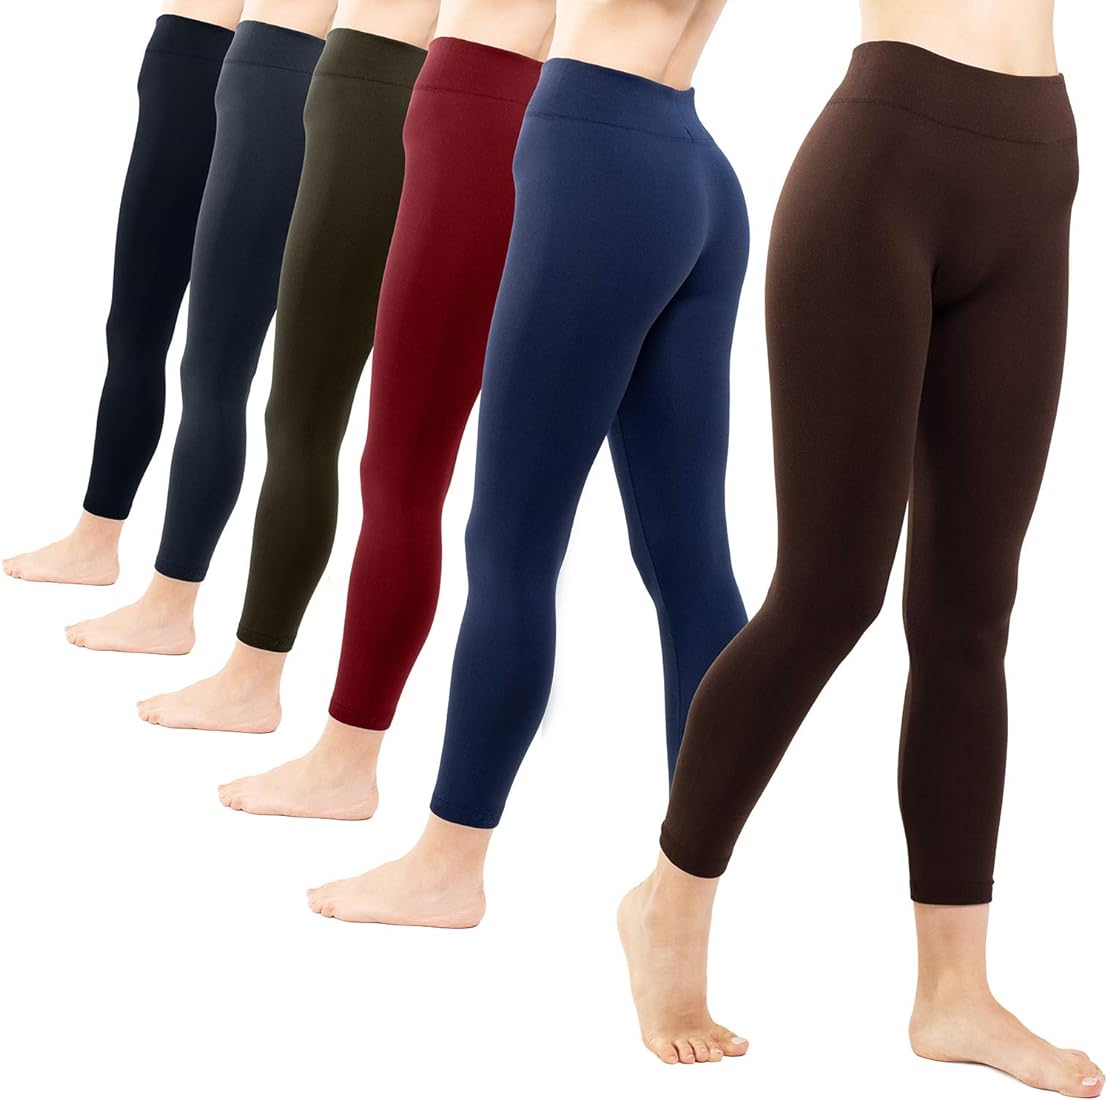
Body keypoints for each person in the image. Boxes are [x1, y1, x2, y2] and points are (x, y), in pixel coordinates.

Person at [617, 0, 1104, 1091]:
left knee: (971, 612)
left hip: (1039, 163)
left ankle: (955, 994)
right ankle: (667, 904)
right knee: (829, 593)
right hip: (884, 161)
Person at [302, 1, 746, 1011]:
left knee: (510, 543)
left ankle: (448, 862)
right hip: (692, 159)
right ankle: (686, 901)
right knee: (692, 564)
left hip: (597, 149)